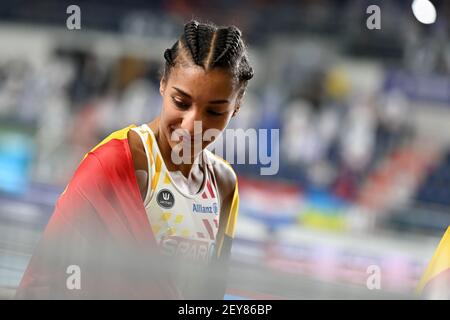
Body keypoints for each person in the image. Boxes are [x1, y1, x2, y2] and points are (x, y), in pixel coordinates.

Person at [15, 20, 254, 299]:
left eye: (214, 112)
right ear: (163, 84)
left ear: (236, 106)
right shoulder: (115, 162)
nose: (193, 124)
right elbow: (42, 283)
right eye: (181, 102)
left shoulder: (224, 184)